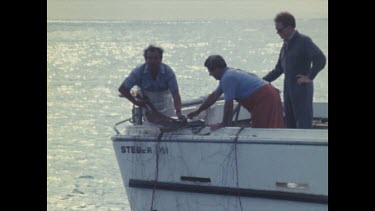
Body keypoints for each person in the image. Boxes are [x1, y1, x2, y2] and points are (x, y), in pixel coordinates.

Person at [262, 12, 326, 128]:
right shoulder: (285, 45)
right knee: (289, 124)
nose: (278, 33)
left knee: (303, 123)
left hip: (301, 90)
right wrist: (260, 82)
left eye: (280, 30)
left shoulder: (304, 41)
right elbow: (278, 69)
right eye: (277, 30)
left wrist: (309, 77)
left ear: (290, 27)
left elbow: (320, 59)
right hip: (288, 90)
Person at [187, 55, 284, 130]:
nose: (210, 74)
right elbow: (213, 97)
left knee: (262, 129)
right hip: (270, 93)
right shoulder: (228, 75)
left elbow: (229, 104)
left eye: (210, 71)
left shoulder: (228, 78)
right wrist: (198, 111)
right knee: (269, 126)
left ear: (216, 68)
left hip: (265, 98)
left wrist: (224, 124)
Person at [118, 45, 186, 123]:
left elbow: (175, 94)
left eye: (156, 58)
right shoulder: (138, 72)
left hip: (166, 104)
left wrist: (178, 112)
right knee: (151, 122)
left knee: (169, 121)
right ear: (145, 59)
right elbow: (122, 89)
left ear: (161, 59)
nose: (153, 61)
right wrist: (136, 102)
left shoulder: (168, 72)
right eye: (150, 58)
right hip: (148, 105)